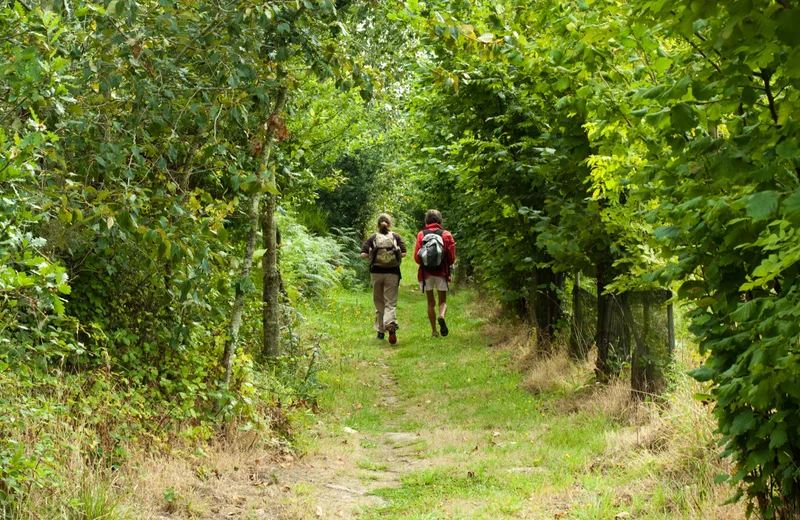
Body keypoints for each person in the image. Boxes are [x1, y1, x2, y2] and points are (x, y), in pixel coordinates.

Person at [361, 214, 406, 345]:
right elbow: (403, 253)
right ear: (390, 225)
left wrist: (372, 255)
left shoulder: (373, 237)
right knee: (390, 302)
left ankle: (380, 331)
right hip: (392, 273)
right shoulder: (396, 237)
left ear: (377, 225)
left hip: (376, 272)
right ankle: (390, 324)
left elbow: (363, 254)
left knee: (378, 301)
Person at [414, 209, 456, 338]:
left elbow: (417, 257)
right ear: (440, 220)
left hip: (426, 273)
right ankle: (441, 315)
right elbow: (452, 258)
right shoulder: (446, 234)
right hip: (441, 272)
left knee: (430, 302)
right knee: (442, 301)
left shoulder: (421, 234)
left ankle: (434, 331)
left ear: (426, 220)